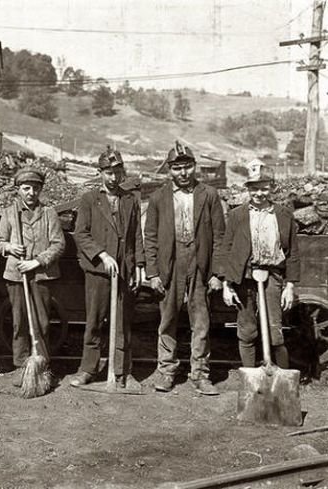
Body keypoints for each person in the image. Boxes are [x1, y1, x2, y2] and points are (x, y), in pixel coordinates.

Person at [144, 141, 225, 395]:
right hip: (171, 263)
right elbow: (151, 237)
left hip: (199, 263)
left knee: (200, 321)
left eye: (187, 167)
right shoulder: (158, 198)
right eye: (177, 168)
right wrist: (154, 272)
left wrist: (216, 273)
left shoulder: (208, 195)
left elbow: (220, 237)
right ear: (170, 170)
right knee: (167, 320)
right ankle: (167, 371)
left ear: (194, 167)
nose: (183, 173)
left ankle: (200, 374)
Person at [70, 146, 145, 388]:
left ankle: (122, 372)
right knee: (94, 321)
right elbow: (80, 234)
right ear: (100, 173)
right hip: (98, 271)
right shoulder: (90, 199)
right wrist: (102, 254)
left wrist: (138, 265)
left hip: (124, 270)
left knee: (123, 322)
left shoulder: (130, 199)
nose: (114, 178)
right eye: (108, 173)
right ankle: (88, 370)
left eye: (117, 172)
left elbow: (136, 236)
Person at [221, 164, 299, 369]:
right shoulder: (237, 215)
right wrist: (227, 285)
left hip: (272, 277)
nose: (259, 193)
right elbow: (227, 250)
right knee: (247, 330)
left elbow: (292, 253)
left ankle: (281, 375)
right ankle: (250, 375)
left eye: (264, 188)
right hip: (244, 277)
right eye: (254, 188)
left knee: (275, 331)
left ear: (272, 188)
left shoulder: (283, 215)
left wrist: (289, 286)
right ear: (248, 189)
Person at [0, 167, 65, 388]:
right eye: (26, 188)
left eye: (35, 188)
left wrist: (37, 261)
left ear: (40, 190)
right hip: (17, 275)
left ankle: (42, 366)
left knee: (42, 323)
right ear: (18, 190)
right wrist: (9, 246)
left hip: (42, 275)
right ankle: (21, 367)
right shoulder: (9, 214)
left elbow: (58, 244)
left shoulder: (49, 213)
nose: (31, 193)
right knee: (19, 322)